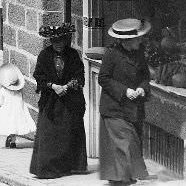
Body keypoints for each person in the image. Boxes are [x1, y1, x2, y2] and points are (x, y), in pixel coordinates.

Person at [99, 18, 152, 186]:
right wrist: (124, 91)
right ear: (127, 41)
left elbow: (145, 76)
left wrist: (142, 88)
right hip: (115, 107)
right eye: (138, 38)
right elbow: (103, 78)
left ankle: (124, 179)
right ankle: (121, 180)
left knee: (133, 144)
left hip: (134, 108)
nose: (140, 40)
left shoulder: (139, 53)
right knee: (124, 144)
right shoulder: (111, 54)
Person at [29, 23, 87, 178]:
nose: (59, 44)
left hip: (69, 101)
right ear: (51, 42)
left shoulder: (73, 55)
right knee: (49, 134)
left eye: (61, 40)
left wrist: (67, 86)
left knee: (68, 133)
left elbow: (79, 75)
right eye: (55, 41)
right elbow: (39, 76)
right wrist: (53, 86)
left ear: (66, 40)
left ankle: (68, 167)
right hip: (51, 102)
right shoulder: (44, 55)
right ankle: (48, 168)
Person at [0, 63, 36, 147]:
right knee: (15, 125)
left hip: (7, 111)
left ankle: (10, 137)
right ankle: (13, 141)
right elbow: (21, 100)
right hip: (18, 111)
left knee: (9, 125)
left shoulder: (3, 91)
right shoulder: (19, 91)